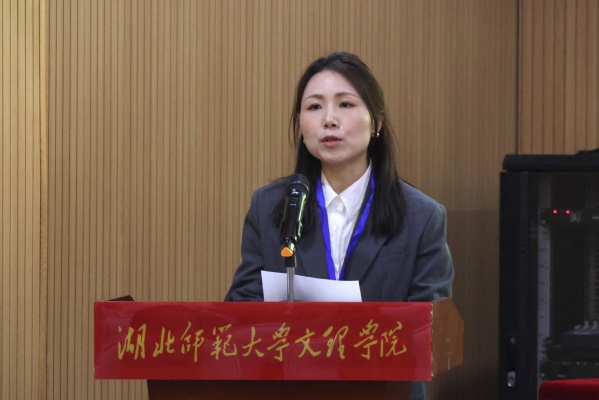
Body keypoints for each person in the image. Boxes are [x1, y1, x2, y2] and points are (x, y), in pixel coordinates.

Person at [225, 51, 454, 400]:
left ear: (377, 121)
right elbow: (242, 308)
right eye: (314, 107)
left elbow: (432, 331)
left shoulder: (421, 216)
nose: (329, 119)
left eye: (345, 104)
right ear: (300, 124)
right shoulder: (270, 206)